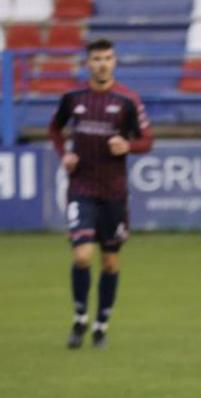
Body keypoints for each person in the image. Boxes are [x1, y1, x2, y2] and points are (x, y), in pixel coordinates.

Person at [49, 38, 154, 349]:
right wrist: (64, 154)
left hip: (114, 193)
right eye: (96, 59)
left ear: (115, 62)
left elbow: (147, 139)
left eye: (107, 58)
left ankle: (101, 324)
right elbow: (55, 130)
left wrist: (129, 146)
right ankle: (80, 317)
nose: (102, 64)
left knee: (110, 262)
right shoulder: (73, 99)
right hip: (81, 187)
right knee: (82, 254)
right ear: (87, 64)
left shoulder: (127, 100)